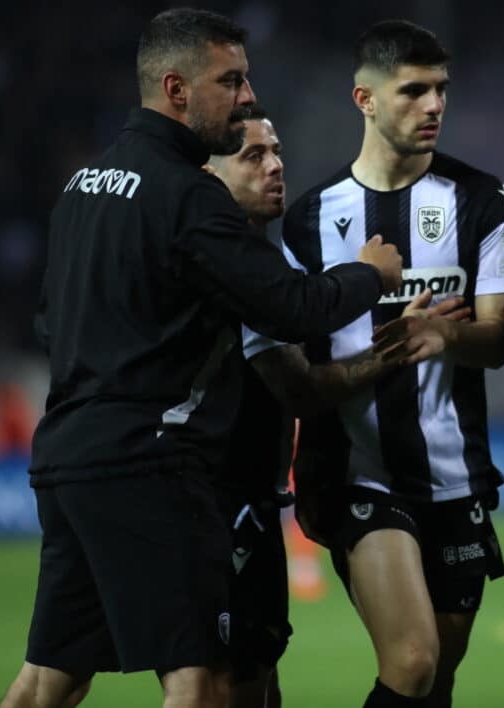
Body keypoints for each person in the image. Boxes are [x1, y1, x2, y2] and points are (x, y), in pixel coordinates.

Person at [0, 9, 401, 708]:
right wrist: (370, 274)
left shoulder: (84, 185)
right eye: (231, 80)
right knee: (203, 682)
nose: (247, 96)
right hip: (151, 464)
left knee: (46, 681)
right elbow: (292, 308)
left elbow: (48, 322)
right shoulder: (188, 195)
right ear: (176, 88)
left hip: (68, 457)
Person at [245, 20, 504, 708]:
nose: (434, 105)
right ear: (364, 99)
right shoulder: (311, 218)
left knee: (434, 682)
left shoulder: (484, 201)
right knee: (413, 659)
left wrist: (445, 335)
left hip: (455, 475)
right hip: (356, 474)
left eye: (441, 90)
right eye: (413, 91)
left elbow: (495, 342)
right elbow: (296, 359)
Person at [205, 105, 294, 708]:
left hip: (256, 496)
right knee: (229, 682)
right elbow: (299, 388)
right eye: (253, 156)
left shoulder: (266, 257)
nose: (275, 165)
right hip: (221, 499)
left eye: (276, 151)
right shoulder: (224, 263)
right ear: (210, 177)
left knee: (261, 672)